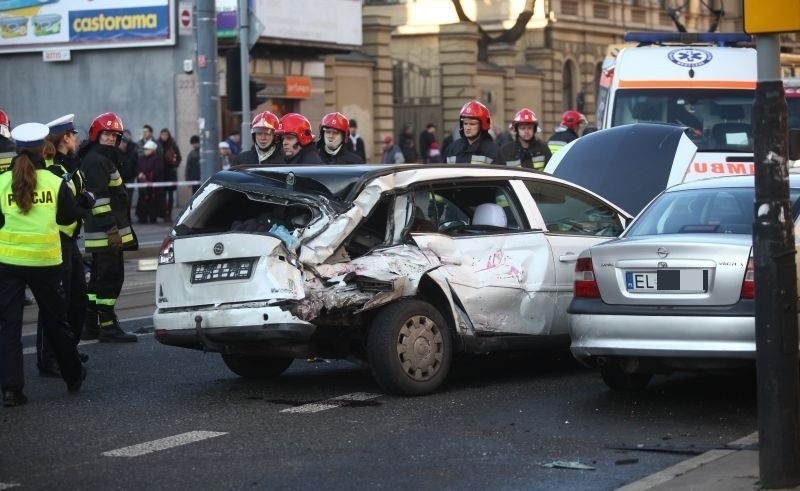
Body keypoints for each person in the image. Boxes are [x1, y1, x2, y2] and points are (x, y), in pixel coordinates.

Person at [1, 122, 86, 406]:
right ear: (42, 149)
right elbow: (68, 223)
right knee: (56, 321)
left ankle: (12, 390)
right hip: (46, 261)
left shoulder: (1, 182)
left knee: (9, 327)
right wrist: (84, 202)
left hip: (8, 262)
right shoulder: (54, 182)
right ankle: (73, 374)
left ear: (17, 149)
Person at [36, 114, 94, 377]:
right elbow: (71, 204)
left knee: (78, 299)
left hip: (70, 240)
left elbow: (82, 193)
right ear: (66, 138)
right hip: (56, 241)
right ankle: (49, 358)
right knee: (56, 302)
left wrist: (83, 199)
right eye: (74, 135)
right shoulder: (50, 168)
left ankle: (67, 349)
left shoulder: (71, 163)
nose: (78, 139)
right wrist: (84, 202)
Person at [79, 112, 138, 343]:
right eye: (107, 134)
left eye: (115, 135)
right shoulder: (96, 160)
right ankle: (108, 326)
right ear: (96, 134)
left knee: (97, 280)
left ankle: (91, 323)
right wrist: (112, 231)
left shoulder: (102, 157)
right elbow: (100, 199)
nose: (111, 138)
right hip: (106, 234)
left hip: (103, 233)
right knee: (111, 279)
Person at [444, 100, 503, 165]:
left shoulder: (492, 150)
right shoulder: (452, 149)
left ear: (482, 126)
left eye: (472, 124)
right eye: (465, 123)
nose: (467, 128)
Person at [135, 140, 164, 224]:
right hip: (143, 184)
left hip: (152, 186)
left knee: (153, 202)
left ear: (152, 150)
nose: (145, 151)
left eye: (147, 149)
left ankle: (152, 218)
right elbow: (137, 168)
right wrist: (140, 174)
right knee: (142, 201)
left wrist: (147, 176)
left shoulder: (157, 159)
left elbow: (157, 170)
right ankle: (142, 217)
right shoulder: (141, 159)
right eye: (145, 149)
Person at [158, 128, 181, 222]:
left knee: (171, 195)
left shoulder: (173, 145)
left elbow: (179, 157)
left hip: (170, 172)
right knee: (162, 195)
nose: (164, 136)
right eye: (162, 134)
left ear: (169, 135)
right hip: (161, 173)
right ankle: (165, 213)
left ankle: (169, 214)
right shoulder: (157, 145)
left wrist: (175, 165)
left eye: (166, 134)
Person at [116, 129, 138, 209]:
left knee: (129, 200)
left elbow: (135, 164)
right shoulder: (116, 153)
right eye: (121, 143)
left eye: (124, 143)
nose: (123, 145)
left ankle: (128, 218)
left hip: (130, 178)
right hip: (120, 179)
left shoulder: (132, 151)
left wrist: (135, 173)